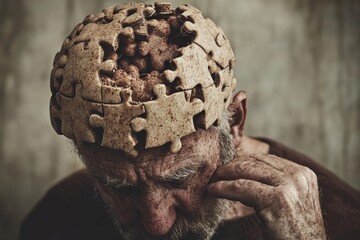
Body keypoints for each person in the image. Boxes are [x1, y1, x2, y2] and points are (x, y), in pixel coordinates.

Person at [20, 2, 360, 240]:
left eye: (178, 179)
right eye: (119, 186)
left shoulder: (343, 219)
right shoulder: (54, 220)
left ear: (236, 121)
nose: (156, 223)